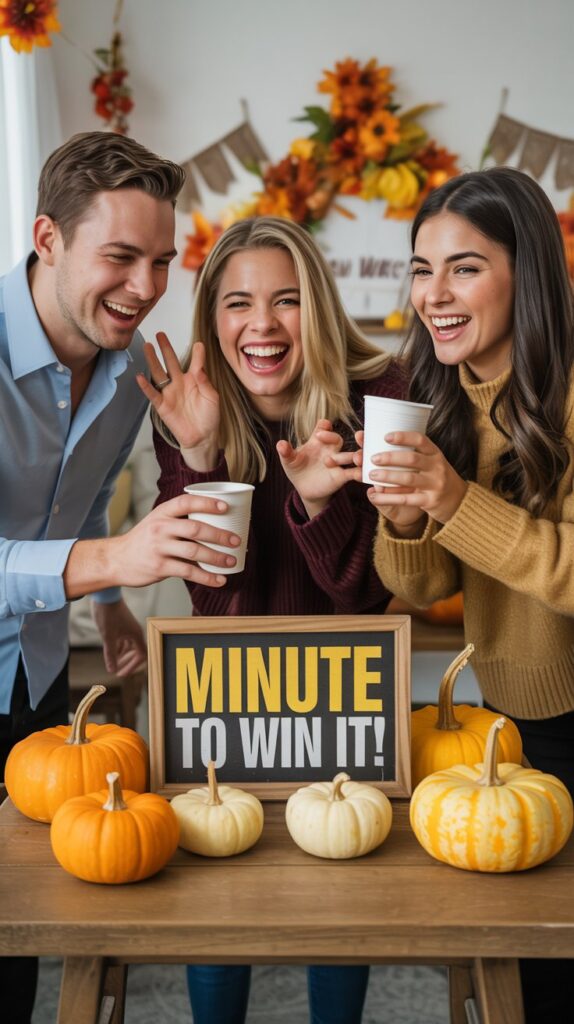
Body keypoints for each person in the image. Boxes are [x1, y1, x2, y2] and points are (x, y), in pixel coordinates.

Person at [0, 131, 245, 1024]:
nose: (145, 287)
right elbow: (105, 535)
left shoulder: (138, 366)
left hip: (35, 679)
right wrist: (114, 563)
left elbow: (93, 492)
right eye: (119, 257)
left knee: (21, 926)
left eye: (160, 260)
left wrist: (110, 611)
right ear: (49, 238)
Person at [138, 215, 406, 1024]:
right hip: (231, 706)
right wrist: (202, 459)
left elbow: (367, 600)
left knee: (342, 895)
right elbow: (216, 609)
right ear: (212, 320)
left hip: (342, 712)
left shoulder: (379, 401)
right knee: (215, 898)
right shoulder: (191, 412)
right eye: (238, 303)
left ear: (316, 309)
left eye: (286, 300)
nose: (261, 324)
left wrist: (318, 501)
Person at [367, 166, 574, 1024]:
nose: (433, 294)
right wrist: (405, 518)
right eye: (421, 268)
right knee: (525, 966)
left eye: (464, 267)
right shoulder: (447, 398)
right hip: (516, 720)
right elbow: (424, 588)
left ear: (525, 272)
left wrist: (455, 502)